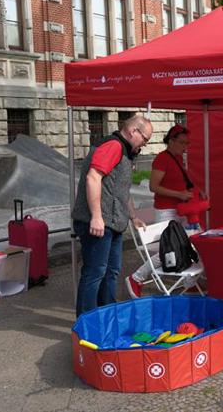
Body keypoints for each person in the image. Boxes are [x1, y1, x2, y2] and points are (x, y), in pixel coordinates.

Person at [72, 115, 152, 316]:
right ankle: (87, 321)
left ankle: (108, 315)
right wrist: (96, 216)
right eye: (145, 139)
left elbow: (121, 189)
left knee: (111, 271)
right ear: (133, 131)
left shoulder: (124, 151)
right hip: (99, 222)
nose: (145, 144)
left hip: (113, 222)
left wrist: (133, 216)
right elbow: (93, 178)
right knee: (95, 272)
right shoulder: (113, 146)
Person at [125, 124, 205, 298]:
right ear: (171, 141)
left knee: (195, 243)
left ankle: (189, 282)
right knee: (171, 248)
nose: (185, 147)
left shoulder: (178, 158)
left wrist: (196, 191)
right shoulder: (162, 159)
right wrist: (179, 194)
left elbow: (182, 181)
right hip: (167, 210)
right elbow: (154, 187)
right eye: (182, 142)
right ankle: (136, 277)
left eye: (187, 143)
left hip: (182, 209)